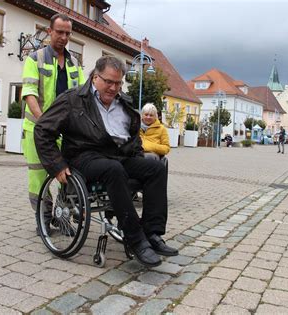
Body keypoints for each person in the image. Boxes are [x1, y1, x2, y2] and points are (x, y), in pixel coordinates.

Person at [34, 56, 178, 267]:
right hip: (84, 156)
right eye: (108, 82)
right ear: (95, 77)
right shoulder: (73, 99)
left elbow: (134, 137)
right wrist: (56, 165)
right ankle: (136, 240)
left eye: (118, 83)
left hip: (118, 155)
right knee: (113, 169)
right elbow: (43, 130)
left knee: (156, 167)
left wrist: (137, 159)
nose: (113, 87)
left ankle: (152, 234)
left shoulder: (124, 102)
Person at [20, 14, 85, 226]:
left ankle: (62, 215)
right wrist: (44, 124)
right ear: (50, 32)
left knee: (68, 174)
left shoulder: (75, 63)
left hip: (65, 131)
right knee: (39, 179)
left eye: (68, 33)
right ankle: (43, 219)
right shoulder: (35, 58)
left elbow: (83, 95)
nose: (64, 37)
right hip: (37, 129)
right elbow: (30, 93)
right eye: (59, 32)